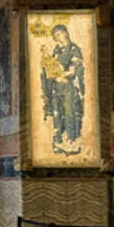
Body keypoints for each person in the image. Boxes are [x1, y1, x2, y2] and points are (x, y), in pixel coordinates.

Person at [41, 23, 85, 155]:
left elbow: (76, 69)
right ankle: (58, 142)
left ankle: (71, 141)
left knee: (69, 113)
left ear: (65, 33)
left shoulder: (74, 49)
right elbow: (51, 69)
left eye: (60, 34)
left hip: (67, 87)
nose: (59, 37)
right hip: (56, 88)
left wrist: (63, 74)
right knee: (57, 114)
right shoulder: (57, 51)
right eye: (56, 36)